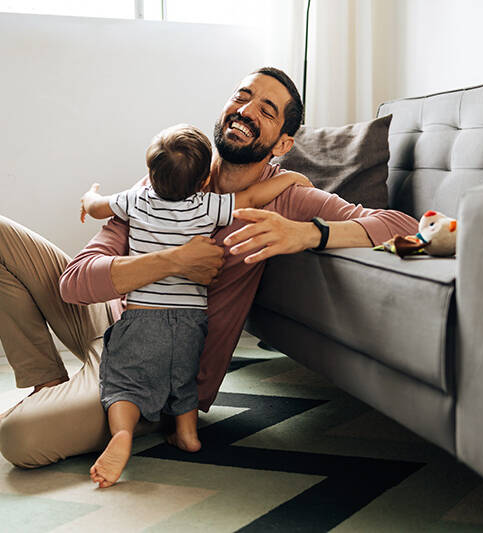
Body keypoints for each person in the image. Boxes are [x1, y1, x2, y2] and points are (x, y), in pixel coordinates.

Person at [0, 67, 419, 470]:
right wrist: (173, 261)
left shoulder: (288, 197)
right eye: (241, 96)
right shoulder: (174, 175)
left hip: (159, 373)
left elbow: (404, 226)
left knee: (17, 439)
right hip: (107, 318)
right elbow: (75, 282)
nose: (247, 109)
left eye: (267, 110)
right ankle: (47, 382)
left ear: (282, 144)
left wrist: (306, 234)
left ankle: (94, 406)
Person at [79, 123, 312, 487]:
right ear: (205, 179)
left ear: (151, 174)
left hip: (142, 317)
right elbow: (251, 198)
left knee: (123, 384)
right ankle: (188, 434)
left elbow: (96, 208)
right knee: (183, 379)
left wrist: (90, 196)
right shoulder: (206, 207)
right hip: (190, 321)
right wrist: (290, 178)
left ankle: (121, 434)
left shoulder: (136, 200)